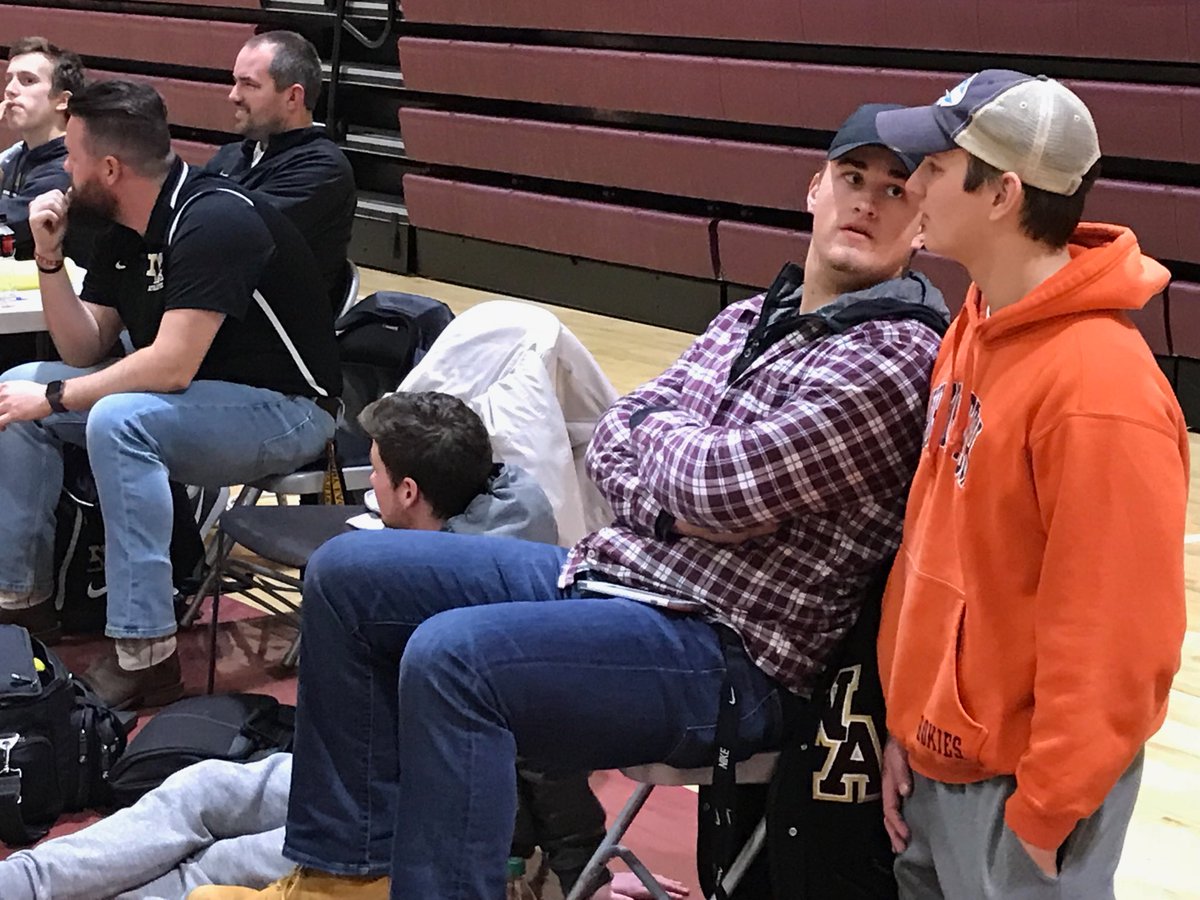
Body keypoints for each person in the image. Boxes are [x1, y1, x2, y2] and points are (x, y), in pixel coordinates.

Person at [194, 102, 951, 900]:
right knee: (350, 572)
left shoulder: (897, 355)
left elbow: (718, 485)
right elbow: (617, 432)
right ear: (815, 189)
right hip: (615, 579)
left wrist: (672, 474)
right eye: (853, 178)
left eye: (895, 192)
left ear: (924, 226)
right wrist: (678, 493)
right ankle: (347, 879)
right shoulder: (745, 318)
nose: (868, 203)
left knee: (454, 659)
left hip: (728, 651)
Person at [0, 391, 684, 900]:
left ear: (408, 491)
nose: (369, 486)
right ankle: (23, 884)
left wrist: (587, 874)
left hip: (413, 820)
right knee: (200, 789)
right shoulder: (475, 521)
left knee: (211, 868)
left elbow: (547, 760)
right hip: (361, 774)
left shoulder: (481, 602)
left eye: (375, 472)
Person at [872, 71, 1189, 899]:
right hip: (938, 761)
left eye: (937, 166)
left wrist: (1048, 808)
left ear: (1002, 194)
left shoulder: (1101, 390)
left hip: (1022, 790)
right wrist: (907, 721)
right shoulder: (975, 321)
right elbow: (934, 542)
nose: (913, 184)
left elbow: (1117, 638)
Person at [0, 80, 341, 709]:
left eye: (72, 156)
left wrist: (56, 398)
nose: (65, 171)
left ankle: (146, 653)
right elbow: (83, 346)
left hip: (289, 410)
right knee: (13, 390)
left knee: (117, 419)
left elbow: (171, 366)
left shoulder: (213, 218)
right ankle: (22, 604)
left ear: (110, 168)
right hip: (196, 401)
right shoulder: (124, 229)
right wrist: (49, 258)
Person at [203, 31, 355, 312]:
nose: (233, 95)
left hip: (268, 327)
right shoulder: (231, 155)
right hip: (216, 307)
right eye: (235, 82)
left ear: (293, 97)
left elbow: (229, 236)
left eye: (249, 84)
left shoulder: (322, 169)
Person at [0, 36, 93, 265]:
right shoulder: (16, 155)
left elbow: (10, 229)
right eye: (9, 80)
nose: (10, 90)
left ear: (62, 100)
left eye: (28, 80)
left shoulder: (66, 168)